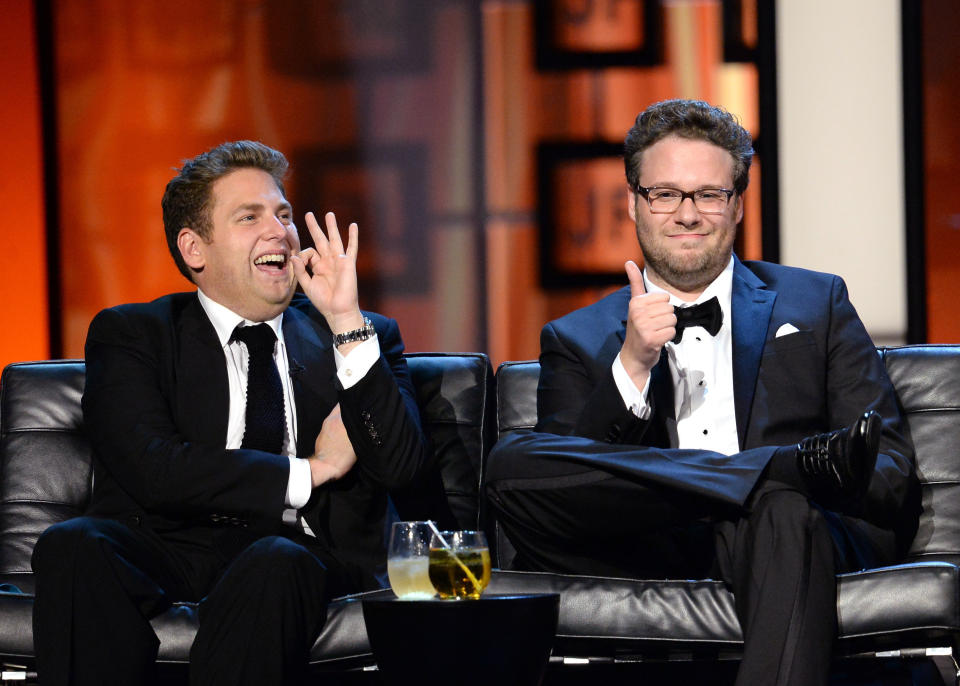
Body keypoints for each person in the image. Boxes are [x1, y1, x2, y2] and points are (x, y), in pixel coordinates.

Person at [484, 99, 919, 686]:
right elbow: (565, 488)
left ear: (737, 204)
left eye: (709, 194)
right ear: (635, 202)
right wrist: (632, 365)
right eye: (664, 193)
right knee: (509, 465)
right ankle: (774, 470)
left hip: (783, 538)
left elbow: (888, 469)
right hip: (644, 542)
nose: (687, 214)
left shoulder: (815, 303)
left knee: (784, 509)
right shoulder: (577, 337)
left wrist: (775, 495)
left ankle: (767, 485)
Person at [31, 141, 430, 686]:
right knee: (73, 544)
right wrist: (309, 471)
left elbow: (401, 467)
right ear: (195, 249)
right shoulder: (134, 334)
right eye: (250, 217)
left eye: (284, 215)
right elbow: (154, 467)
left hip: (298, 552)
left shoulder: (360, 335)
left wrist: (345, 322)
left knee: (274, 560)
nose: (280, 232)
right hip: (173, 543)